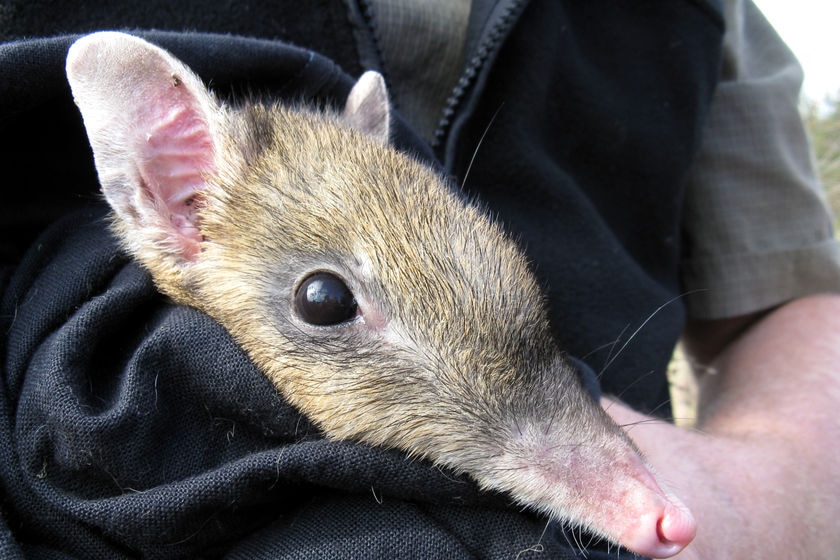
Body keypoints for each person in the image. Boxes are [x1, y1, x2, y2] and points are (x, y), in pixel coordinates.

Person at [1, 0, 838, 558]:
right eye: (323, 304)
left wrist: (742, 510)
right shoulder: (206, 205)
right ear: (170, 196)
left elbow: (797, 303)